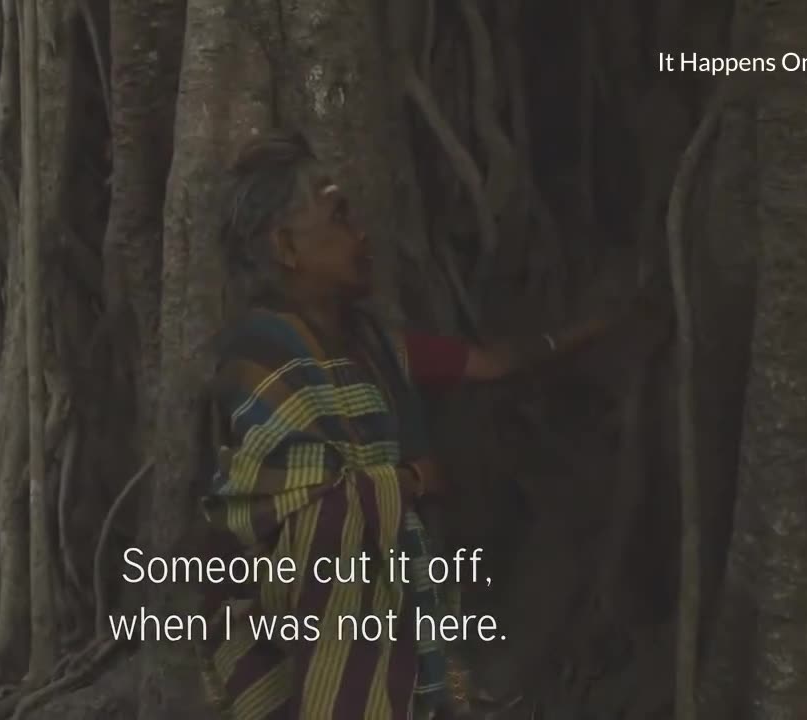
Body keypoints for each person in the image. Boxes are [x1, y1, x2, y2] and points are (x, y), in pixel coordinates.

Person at [197, 130, 655, 719]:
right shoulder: (258, 355)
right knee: (340, 548)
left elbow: (491, 364)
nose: (362, 234)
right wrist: (408, 482)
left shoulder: (373, 346)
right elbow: (299, 509)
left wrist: (598, 327)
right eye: (338, 217)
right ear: (286, 246)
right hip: (284, 608)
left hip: (368, 596)